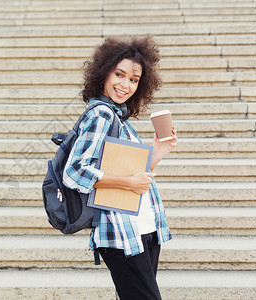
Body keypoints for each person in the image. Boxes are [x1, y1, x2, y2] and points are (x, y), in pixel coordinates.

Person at [63, 36, 177, 300]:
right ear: (104, 72)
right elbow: (75, 171)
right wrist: (129, 184)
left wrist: (156, 154)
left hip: (143, 229)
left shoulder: (118, 116)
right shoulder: (100, 115)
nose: (125, 85)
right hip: (121, 233)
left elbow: (128, 172)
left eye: (134, 79)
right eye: (119, 74)